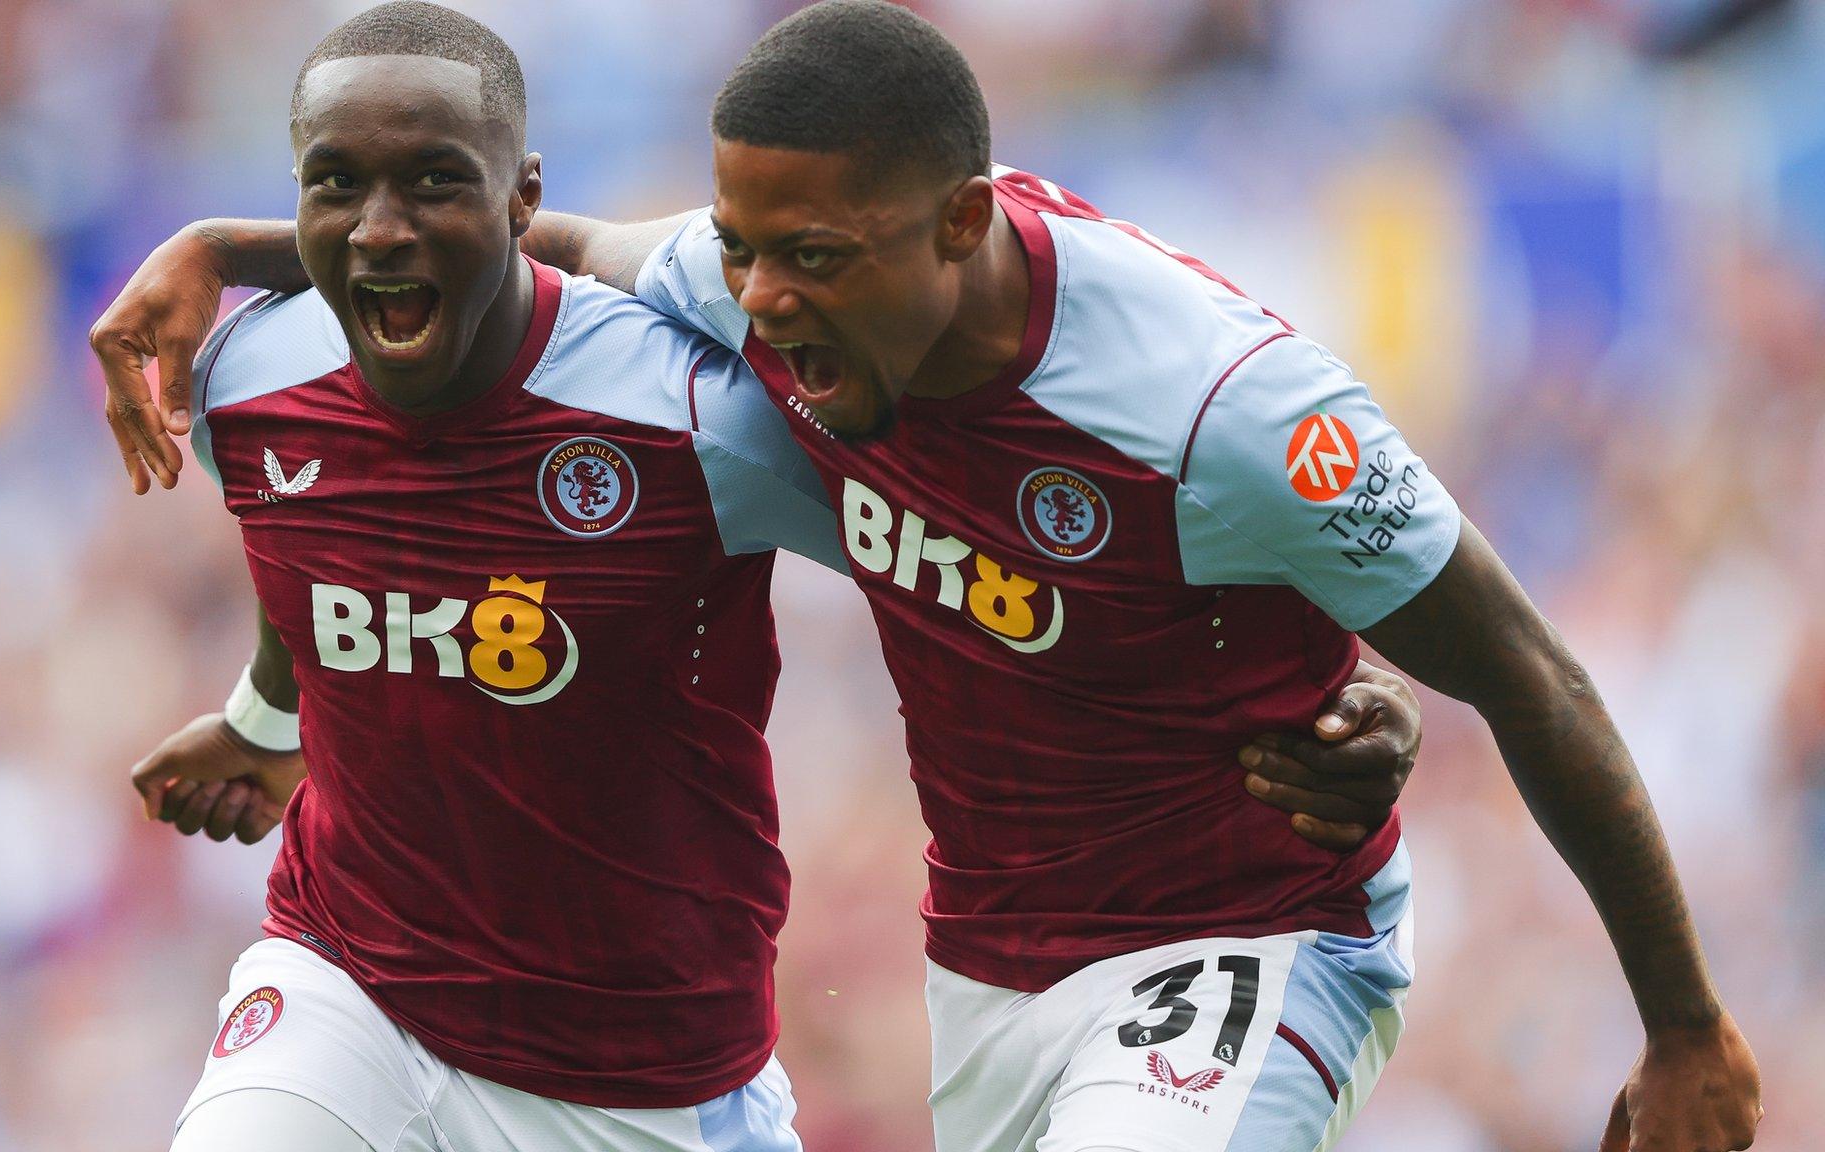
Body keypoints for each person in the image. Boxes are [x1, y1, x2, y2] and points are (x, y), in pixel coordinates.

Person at [98, 6, 1443, 1152]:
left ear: (518, 200)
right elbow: (319, 552)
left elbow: (1010, 550)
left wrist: (1323, 680)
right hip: (349, 983)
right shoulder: (249, 380)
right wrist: (273, 722)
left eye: (439, 183)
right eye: (333, 185)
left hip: (649, 1081)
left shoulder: (701, 409)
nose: (379, 229)